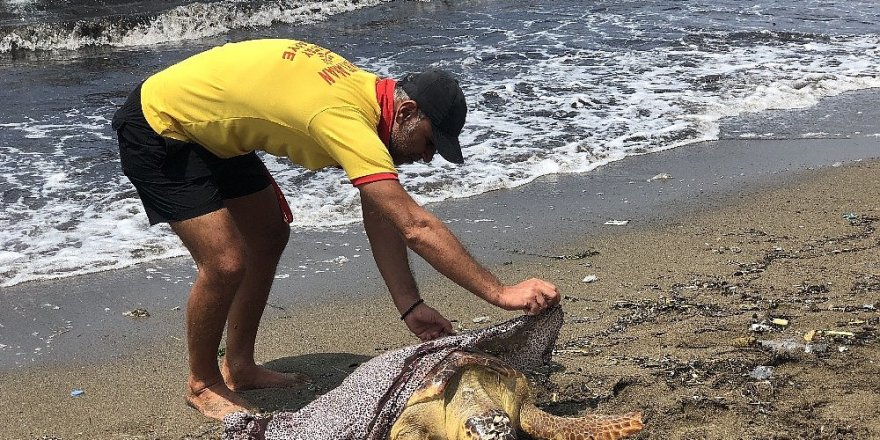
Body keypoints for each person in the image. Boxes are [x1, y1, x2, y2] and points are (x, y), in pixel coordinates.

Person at [112, 38, 560, 420]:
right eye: (429, 143)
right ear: (404, 110)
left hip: (211, 130)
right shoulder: (343, 117)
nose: (428, 157)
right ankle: (202, 382)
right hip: (160, 124)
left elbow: (382, 214)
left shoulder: (370, 101)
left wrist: (410, 305)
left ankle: (240, 366)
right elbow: (414, 225)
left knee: (268, 234)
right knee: (225, 261)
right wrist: (500, 293)